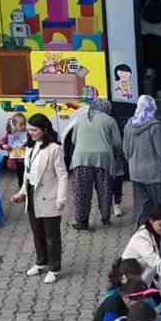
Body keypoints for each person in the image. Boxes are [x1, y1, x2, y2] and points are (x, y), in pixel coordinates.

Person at [12, 113, 68, 284]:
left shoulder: (54, 149)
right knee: (37, 232)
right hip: (32, 193)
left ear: (44, 130)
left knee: (52, 235)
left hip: (49, 196)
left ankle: (55, 267)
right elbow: (26, 173)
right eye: (29, 130)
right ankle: (41, 262)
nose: (31, 133)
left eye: (34, 130)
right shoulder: (29, 147)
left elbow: (62, 175)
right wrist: (22, 192)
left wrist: (61, 198)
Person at [122, 95, 161, 227]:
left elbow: (126, 151)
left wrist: (134, 163)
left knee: (142, 207)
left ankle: (142, 233)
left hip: (136, 174)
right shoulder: (156, 127)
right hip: (157, 175)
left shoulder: (129, 126)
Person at [63, 99, 118, 230]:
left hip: (81, 159)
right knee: (105, 189)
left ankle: (82, 222)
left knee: (81, 191)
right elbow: (117, 143)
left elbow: (74, 139)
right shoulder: (110, 120)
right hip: (103, 159)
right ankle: (105, 218)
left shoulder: (80, 118)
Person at [87, 258, 153, 321]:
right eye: (138, 301)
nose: (140, 305)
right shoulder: (113, 309)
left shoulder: (128, 297)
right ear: (126, 297)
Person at [121, 204, 161, 290]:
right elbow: (155, 262)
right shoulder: (141, 237)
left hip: (144, 277)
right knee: (149, 301)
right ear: (151, 220)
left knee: (156, 301)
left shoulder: (157, 232)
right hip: (130, 280)